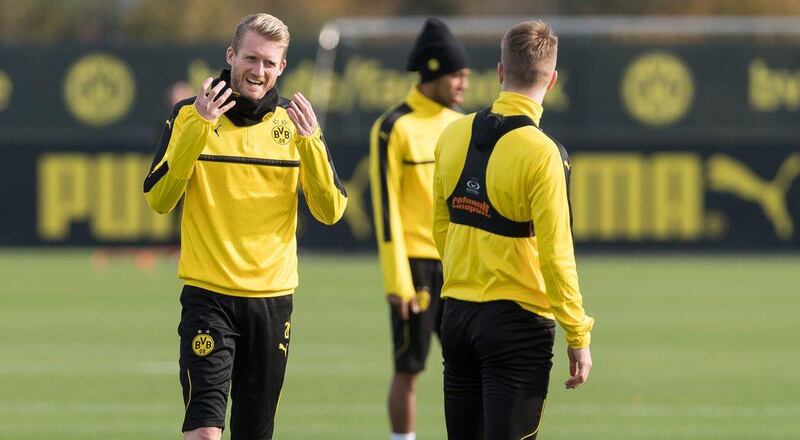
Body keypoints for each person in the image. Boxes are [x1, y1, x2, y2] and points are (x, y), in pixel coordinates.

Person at [143, 13, 347, 440]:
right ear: (231, 55)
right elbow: (159, 200)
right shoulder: (190, 116)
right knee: (203, 430)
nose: (258, 71)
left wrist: (310, 144)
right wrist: (198, 127)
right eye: (251, 58)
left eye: (269, 63)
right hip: (208, 297)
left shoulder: (297, 126)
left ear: (283, 67)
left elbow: (331, 211)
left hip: (272, 302)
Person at [432, 20, 594, 439]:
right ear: (552, 80)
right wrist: (577, 332)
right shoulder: (543, 153)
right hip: (516, 325)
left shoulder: (452, 134)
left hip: (457, 316)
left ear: (500, 72)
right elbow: (557, 255)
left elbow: (440, 225)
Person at [368, 17, 471, 440]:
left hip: (462, 266)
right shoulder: (394, 127)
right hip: (415, 268)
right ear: (431, 71)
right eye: (457, 75)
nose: (464, 84)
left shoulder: (463, 124)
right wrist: (398, 279)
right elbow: (385, 212)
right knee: (408, 369)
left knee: (470, 368)